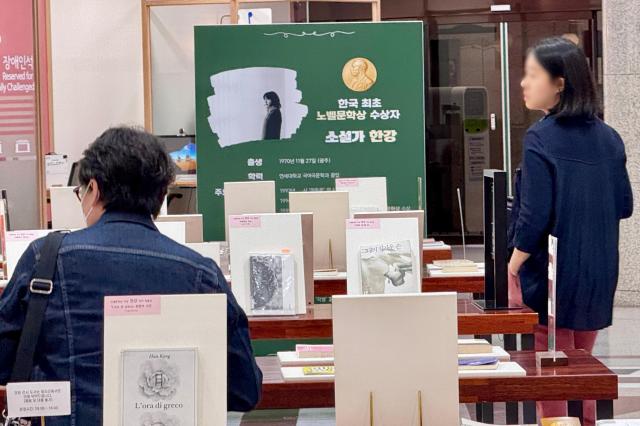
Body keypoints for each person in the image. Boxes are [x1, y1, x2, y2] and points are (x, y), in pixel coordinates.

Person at [0, 127, 263, 425]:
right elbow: (244, 391)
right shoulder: (201, 274)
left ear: (94, 189)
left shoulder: (44, 259)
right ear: (161, 196)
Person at [509, 37, 633, 425]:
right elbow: (624, 205)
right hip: (598, 271)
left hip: (553, 274)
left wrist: (511, 267)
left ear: (559, 83)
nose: (524, 84)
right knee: (582, 369)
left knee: (553, 375)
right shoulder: (609, 137)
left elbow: (533, 217)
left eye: (532, 75)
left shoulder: (541, 137)